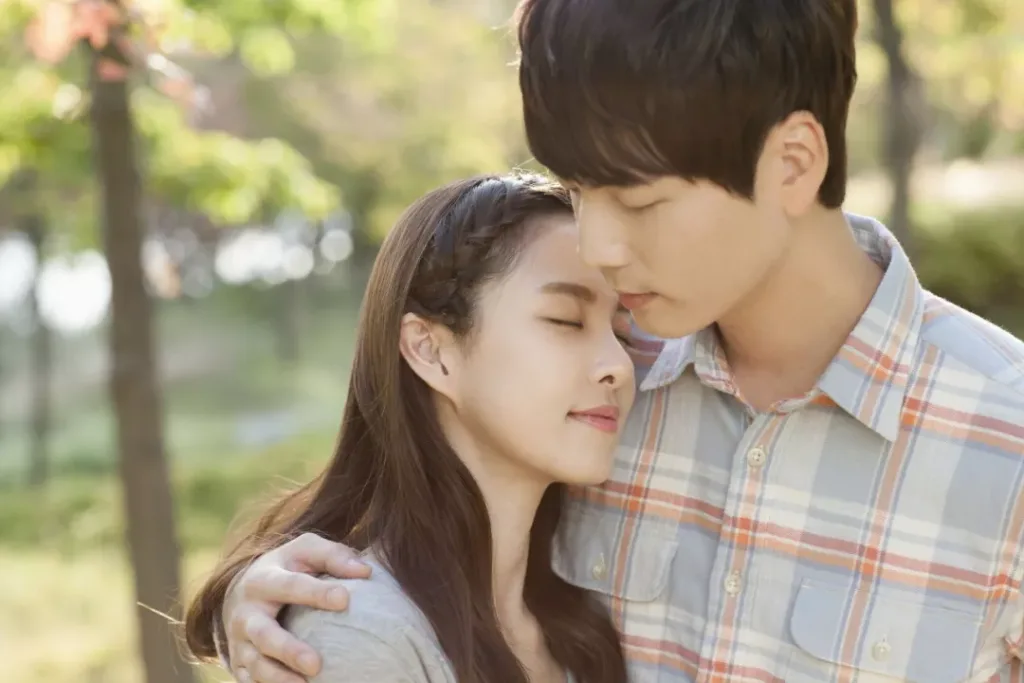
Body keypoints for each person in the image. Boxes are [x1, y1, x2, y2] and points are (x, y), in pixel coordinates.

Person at [204, 0, 1024, 681]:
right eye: (576, 190)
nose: (596, 246)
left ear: (793, 161)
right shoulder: (600, 380)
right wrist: (270, 599)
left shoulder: (1007, 442)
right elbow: (420, 510)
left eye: (638, 201)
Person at [183, 173, 636, 683]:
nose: (619, 366)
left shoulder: (575, 633)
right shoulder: (361, 636)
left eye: (622, 333)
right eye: (566, 320)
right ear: (430, 349)